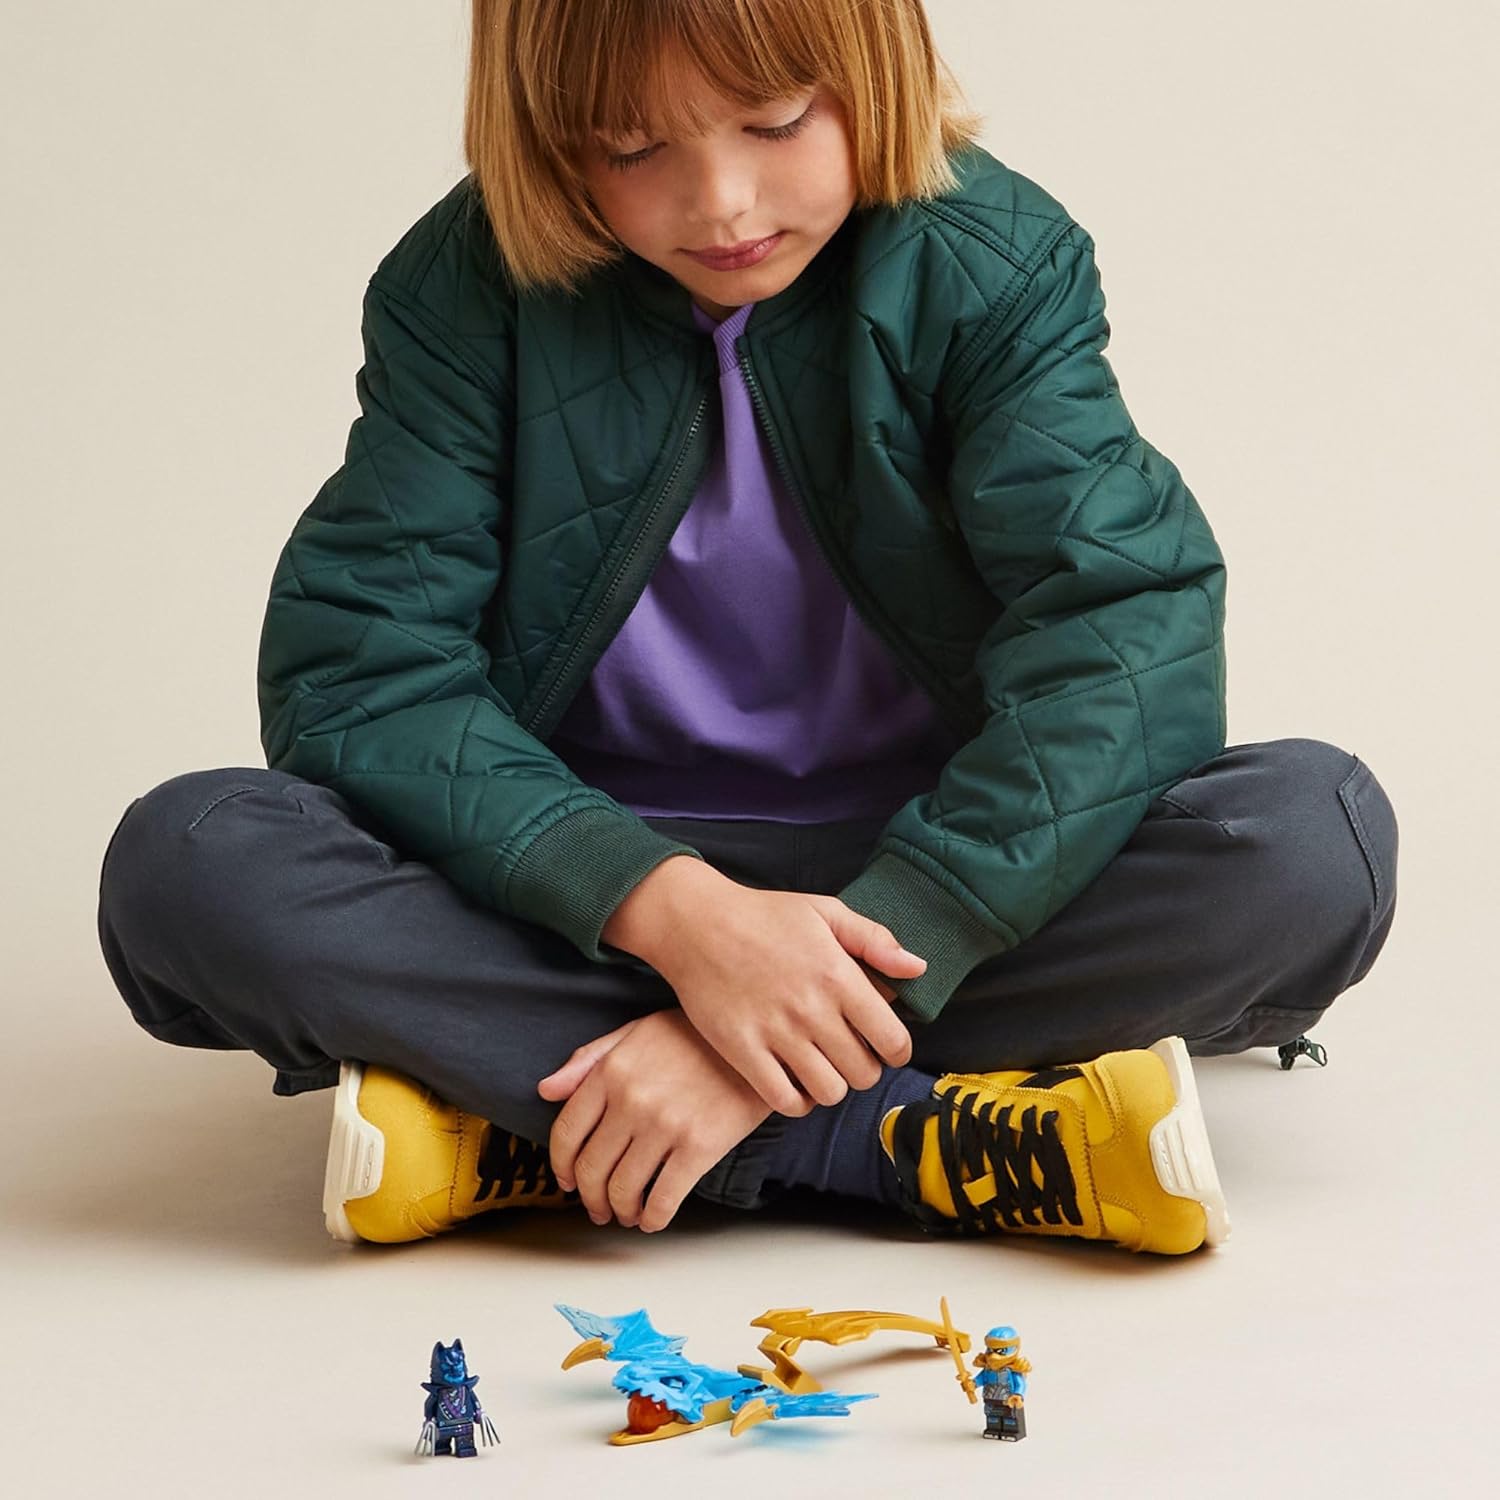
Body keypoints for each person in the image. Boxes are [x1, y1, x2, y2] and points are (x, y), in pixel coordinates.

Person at [95, 0, 1399, 1257]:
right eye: (631, 146)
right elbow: (363, 671)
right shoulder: (465, 291)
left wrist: (901, 936)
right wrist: (670, 916)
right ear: (546, 131)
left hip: (921, 875)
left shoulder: (988, 260)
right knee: (189, 862)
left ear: (871, 67)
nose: (719, 200)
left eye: (773, 122)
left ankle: (537, 1119)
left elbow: (1127, 626)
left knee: (1312, 840)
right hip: (588, 883)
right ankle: (919, 1140)